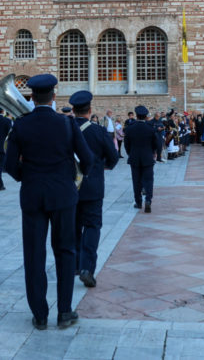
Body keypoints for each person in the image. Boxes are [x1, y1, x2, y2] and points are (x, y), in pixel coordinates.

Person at [4, 74, 92, 331]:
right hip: (63, 195)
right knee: (65, 251)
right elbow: (86, 159)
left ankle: (40, 314)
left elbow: (10, 165)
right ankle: (64, 311)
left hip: (33, 195)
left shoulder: (21, 125)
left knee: (34, 254)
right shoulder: (67, 123)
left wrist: (27, 177)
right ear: (54, 96)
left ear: (32, 97)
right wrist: (74, 178)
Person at [70, 91, 119, 288]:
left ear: (73, 110)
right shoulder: (98, 131)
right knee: (92, 226)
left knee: (73, 227)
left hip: (70, 187)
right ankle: (87, 268)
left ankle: (74, 265)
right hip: (92, 187)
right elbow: (114, 157)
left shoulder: (65, 128)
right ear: (90, 111)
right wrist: (101, 167)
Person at [124, 105, 160, 212]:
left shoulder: (130, 128)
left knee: (136, 181)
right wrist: (154, 152)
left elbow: (126, 145)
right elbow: (156, 143)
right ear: (145, 116)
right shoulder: (150, 128)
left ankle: (138, 202)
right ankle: (148, 200)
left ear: (136, 115)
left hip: (135, 157)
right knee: (148, 180)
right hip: (148, 157)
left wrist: (130, 153)